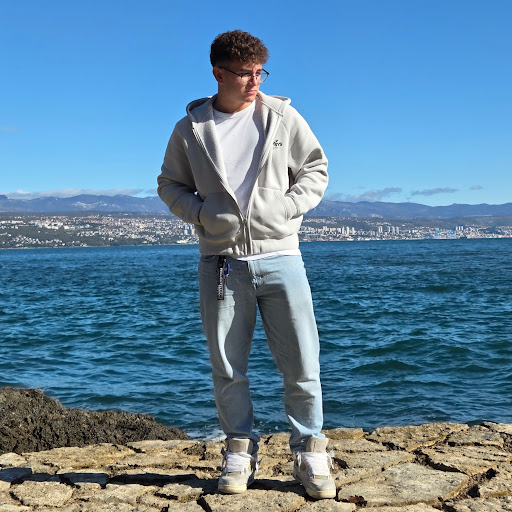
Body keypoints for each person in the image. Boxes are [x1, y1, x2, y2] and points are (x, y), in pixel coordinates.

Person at [157, 29, 335, 500]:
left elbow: (316, 168)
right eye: (243, 73)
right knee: (228, 366)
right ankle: (239, 449)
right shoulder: (190, 129)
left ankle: (310, 451)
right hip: (221, 263)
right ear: (218, 73)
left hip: (282, 257)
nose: (254, 82)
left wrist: (286, 208)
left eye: (260, 72)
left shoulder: (282, 117)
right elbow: (169, 184)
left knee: (302, 362)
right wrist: (201, 214)